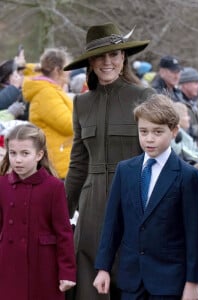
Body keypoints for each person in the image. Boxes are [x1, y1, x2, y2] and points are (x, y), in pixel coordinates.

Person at [63, 23, 155, 300]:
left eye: (114, 55)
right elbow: (78, 164)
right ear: (90, 61)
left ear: (124, 57)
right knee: (90, 290)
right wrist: (61, 212)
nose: (108, 62)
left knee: (130, 283)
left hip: (133, 203)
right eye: (100, 56)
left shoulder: (144, 97)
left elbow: (157, 156)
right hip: (90, 212)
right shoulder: (82, 104)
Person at [93, 93, 198, 300]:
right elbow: (112, 224)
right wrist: (103, 267)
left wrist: (193, 283)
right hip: (131, 280)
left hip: (170, 282)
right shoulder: (125, 170)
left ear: (174, 131)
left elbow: (195, 234)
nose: (149, 138)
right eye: (143, 131)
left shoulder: (188, 177)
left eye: (157, 132)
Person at [0, 123, 76, 300]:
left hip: (43, 266)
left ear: (39, 155)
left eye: (25, 153)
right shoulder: (2, 185)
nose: (18, 159)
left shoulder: (54, 187)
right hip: (8, 263)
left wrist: (67, 272)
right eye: (13, 153)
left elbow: (63, 232)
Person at [22, 48, 73, 180]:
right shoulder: (47, 94)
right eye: (66, 68)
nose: (69, 73)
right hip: (57, 165)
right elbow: (69, 125)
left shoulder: (48, 90)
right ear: (57, 70)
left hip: (58, 161)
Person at [171, 101, 198, 170]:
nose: (189, 118)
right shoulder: (177, 133)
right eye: (186, 115)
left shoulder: (183, 132)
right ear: (179, 118)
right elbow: (186, 153)